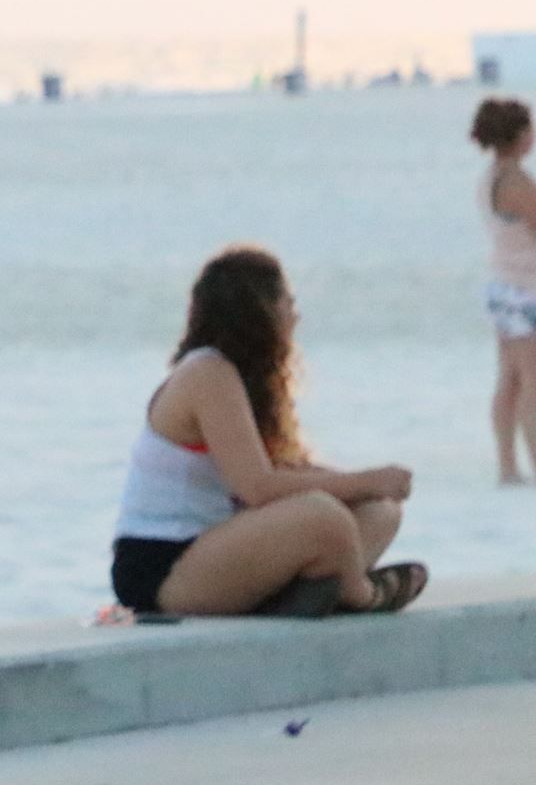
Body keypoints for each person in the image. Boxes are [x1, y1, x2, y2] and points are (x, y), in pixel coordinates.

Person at [110, 245, 425, 616]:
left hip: (219, 547)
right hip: (164, 568)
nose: (296, 316)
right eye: (288, 303)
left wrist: (370, 488)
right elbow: (258, 487)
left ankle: (301, 593)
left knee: (379, 510)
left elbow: (287, 473)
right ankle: (360, 593)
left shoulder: (243, 380)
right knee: (323, 516)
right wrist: (363, 480)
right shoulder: (206, 374)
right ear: (259, 312)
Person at [471, 97, 536, 482]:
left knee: (510, 378)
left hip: (503, 283)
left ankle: (508, 466)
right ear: (519, 134)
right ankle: (524, 461)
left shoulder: (492, 176)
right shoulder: (515, 181)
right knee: (530, 380)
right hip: (523, 287)